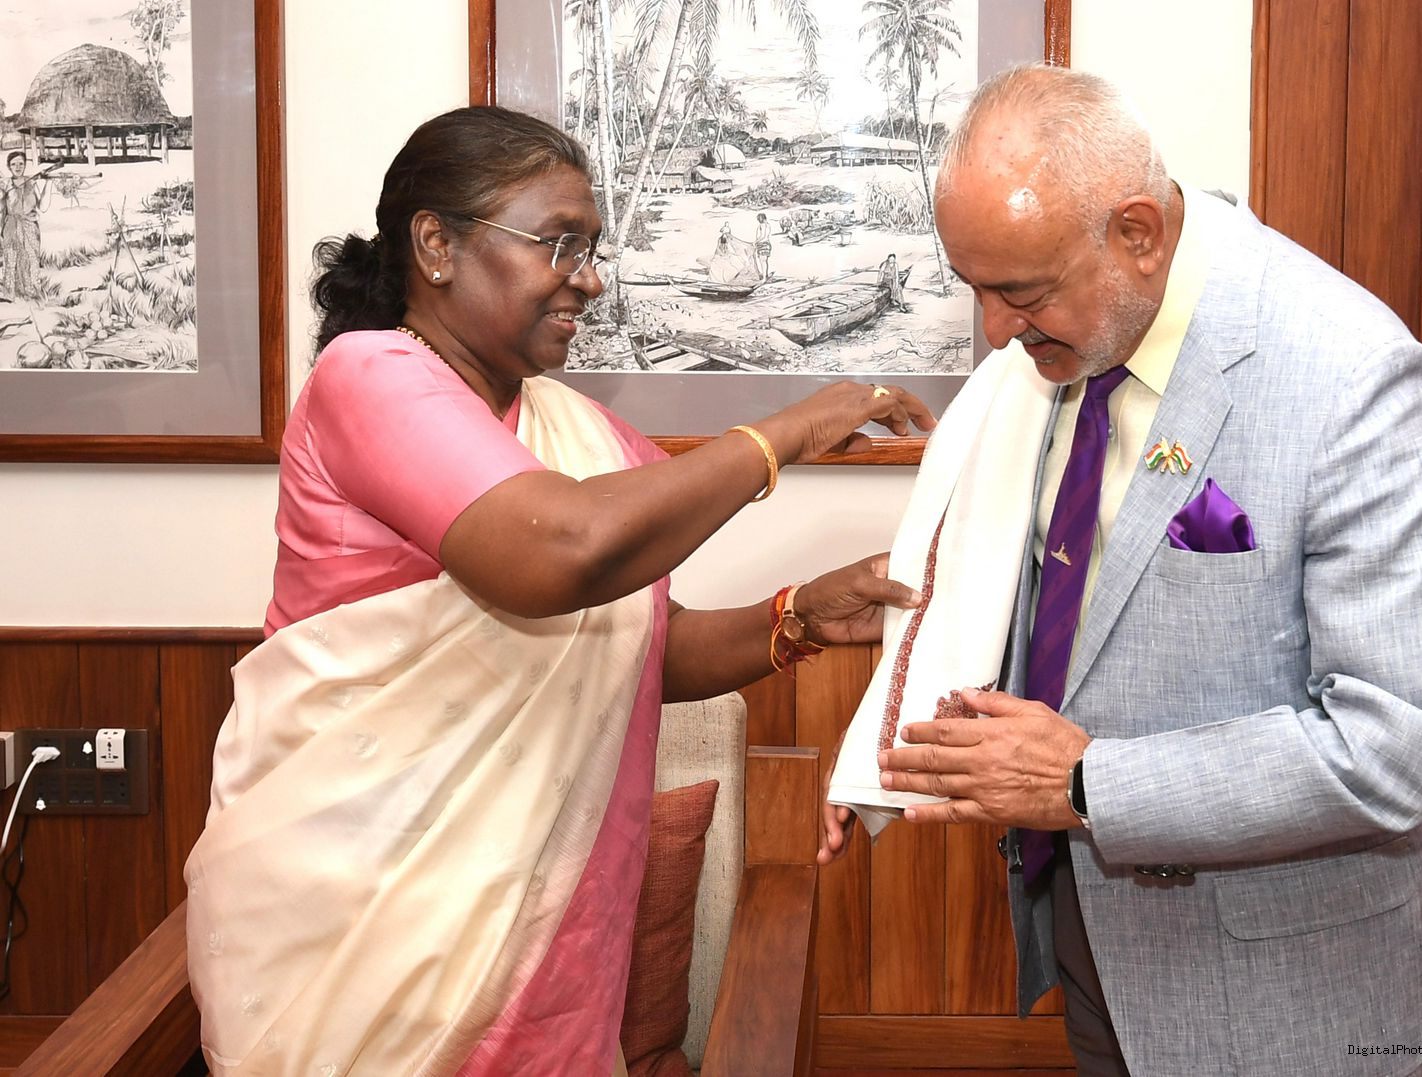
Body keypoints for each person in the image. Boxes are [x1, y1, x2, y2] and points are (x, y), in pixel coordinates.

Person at [184, 106, 933, 1076]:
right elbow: (559, 557)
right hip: (360, 916)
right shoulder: (367, 376)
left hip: (550, 933)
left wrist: (797, 617)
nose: (589, 278)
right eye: (560, 243)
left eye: (593, 249)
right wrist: (783, 433)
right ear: (436, 245)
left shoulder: (578, 433)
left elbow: (634, 646)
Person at [822, 66, 1422, 1076]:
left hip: (1287, 990)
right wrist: (883, 736)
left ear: (1137, 233)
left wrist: (1086, 782)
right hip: (1094, 943)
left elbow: (1400, 741)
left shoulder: (1351, 376)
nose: (994, 330)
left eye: (1019, 293)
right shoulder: (1053, 353)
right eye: (974, 289)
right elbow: (1056, 581)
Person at [0, 152, 59, 301]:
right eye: (13, 164)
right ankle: (10, 294)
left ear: (25, 165)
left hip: (30, 226)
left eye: (21, 163)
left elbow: (43, 207)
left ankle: (33, 293)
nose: (17, 167)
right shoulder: (5, 184)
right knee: (10, 259)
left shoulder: (31, 183)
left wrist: (49, 183)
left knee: (32, 259)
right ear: (8, 167)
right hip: (10, 226)